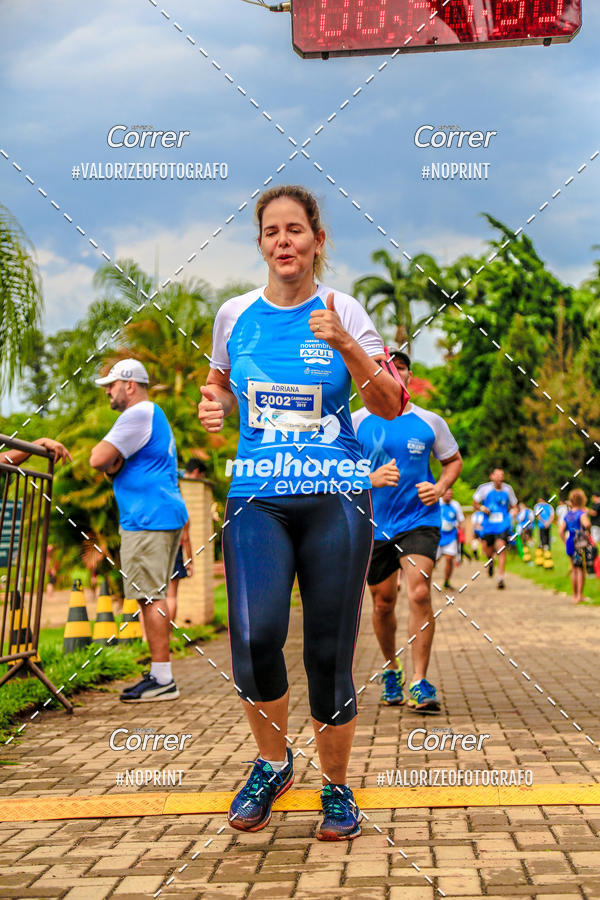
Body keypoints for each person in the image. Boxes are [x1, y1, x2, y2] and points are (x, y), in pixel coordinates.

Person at [197, 184, 405, 842]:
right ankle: (272, 761)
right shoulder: (234, 314)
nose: (282, 241)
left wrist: (344, 341)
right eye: (270, 231)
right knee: (254, 642)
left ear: (317, 239)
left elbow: (392, 402)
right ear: (259, 242)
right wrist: (214, 408)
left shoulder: (346, 309)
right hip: (257, 495)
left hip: (336, 499)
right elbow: (221, 385)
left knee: (326, 652)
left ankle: (337, 786)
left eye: (295, 230)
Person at [352, 350, 462, 713]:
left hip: (420, 519)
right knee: (383, 602)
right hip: (373, 525)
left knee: (418, 592)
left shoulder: (430, 422)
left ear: (408, 377)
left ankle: (420, 682)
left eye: (398, 369)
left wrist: (441, 487)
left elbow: (452, 461)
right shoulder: (355, 423)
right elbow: (332, 471)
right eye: (383, 369)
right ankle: (391, 669)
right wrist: (369, 478)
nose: (391, 375)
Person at [90, 358, 188, 702]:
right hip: (157, 514)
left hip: (148, 518)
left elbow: (98, 458)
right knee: (152, 593)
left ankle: (162, 678)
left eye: (112, 386)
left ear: (129, 384)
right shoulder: (150, 415)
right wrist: (113, 466)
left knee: (150, 595)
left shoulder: (137, 414)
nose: (109, 393)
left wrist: (111, 465)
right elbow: (111, 464)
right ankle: (159, 674)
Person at [473, 468, 518, 590]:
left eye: (501, 475)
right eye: (497, 475)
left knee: (501, 547)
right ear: (492, 476)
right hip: (488, 525)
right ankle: (491, 562)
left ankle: (501, 578)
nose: (499, 478)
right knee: (488, 550)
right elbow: (475, 503)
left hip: (502, 524)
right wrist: (483, 509)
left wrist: (513, 513)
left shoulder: (508, 489)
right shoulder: (484, 489)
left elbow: (515, 506)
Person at [559, 489, 591, 604]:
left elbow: (560, 531)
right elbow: (587, 524)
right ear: (582, 500)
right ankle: (579, 595)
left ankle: (574, 595)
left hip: (570, 542)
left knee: (573, 569)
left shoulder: (568, 515)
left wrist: (565, 542)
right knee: (580, 570)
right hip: (579, 543)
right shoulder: (581, 514)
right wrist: (587, 532)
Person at [437, 487, 465, 589]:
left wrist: (460, 529)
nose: (449, 495)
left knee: (449, 559)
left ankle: (446, 581)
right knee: (433, 561)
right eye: (447, 493)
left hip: (451, 536)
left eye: (450, 494)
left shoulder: (455, 505)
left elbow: (461, 520)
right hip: (438, 536)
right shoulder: (437, 503)